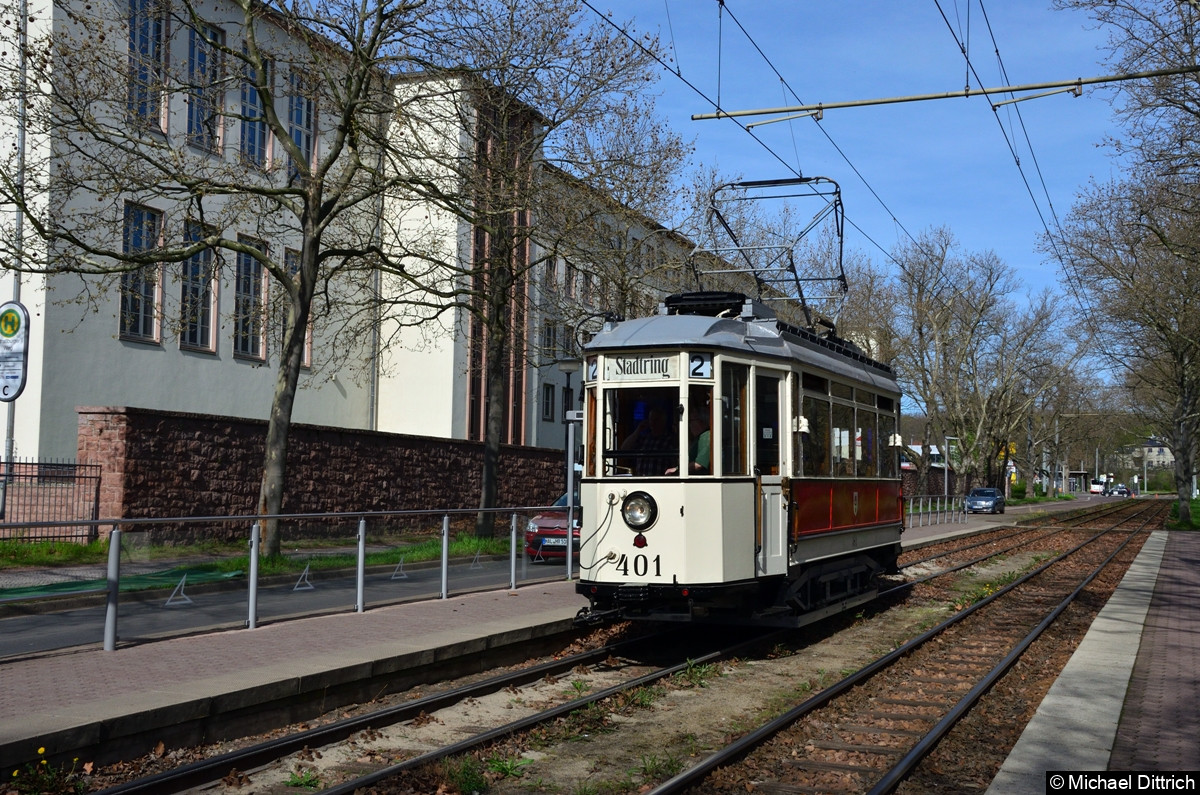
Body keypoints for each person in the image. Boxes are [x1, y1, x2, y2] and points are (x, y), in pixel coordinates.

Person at [621, 406, 676, 475]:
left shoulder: (669, 440)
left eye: (656, 420)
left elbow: (675, 464)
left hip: (660, 482)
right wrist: (638, 430)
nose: (653, 423)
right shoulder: (643, 439)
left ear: (663, 421)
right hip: (641, 482)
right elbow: (624, 450)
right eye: (651, 419)